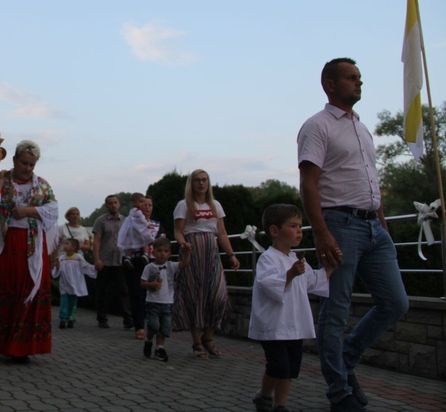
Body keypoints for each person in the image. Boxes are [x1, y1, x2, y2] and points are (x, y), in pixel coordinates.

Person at [298, 57, 409, 412]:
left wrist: (382, 223)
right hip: (339, 226)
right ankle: (339, 392)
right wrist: (320, 232)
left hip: (373, 228)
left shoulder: (362, 129)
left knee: (396, 303)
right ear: (330, 84)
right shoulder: (317, 126)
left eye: (359, 78)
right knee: (336, 311)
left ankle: (345, 361)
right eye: (351, 78)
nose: (359, 83)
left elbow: (369, 180)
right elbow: (309, 183)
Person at [0, 140, 58, 363]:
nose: (27, 168)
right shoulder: (4, 183)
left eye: (31, 165)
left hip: (31, 245)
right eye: (24, 163)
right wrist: (1, 181)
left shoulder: (42, 186)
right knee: (3, 286)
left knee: (26, 288)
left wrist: (27, 210)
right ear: (14, 160)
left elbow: (53, 210)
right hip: (7, 242)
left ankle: (21, 346)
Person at [249, 204, 333, 412]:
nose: (299, 231)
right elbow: (267, 284)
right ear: (275, 231)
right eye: (293, 226)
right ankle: (264, 395)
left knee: (290, 369)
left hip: (294, 326)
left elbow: (313, 282)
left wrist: (329, 268)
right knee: (278, 366)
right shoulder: (267, 258)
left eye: (300, 226)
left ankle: (281, 405)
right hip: (274, 326)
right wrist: (289, 275)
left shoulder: (296, 260)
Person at [172, 169, 240, 360]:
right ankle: (197, 342)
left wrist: (231, 255)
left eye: (204, 180)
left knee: (218, 295)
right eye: (197, 180)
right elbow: (178, 231)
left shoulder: (215, 204)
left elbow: (222, 232)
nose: (201, 183)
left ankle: (208, 336)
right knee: (194, 295)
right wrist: (182, 243)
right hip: (192, 252)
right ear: (191, 183)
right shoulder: (183, 205)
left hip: (211, 252)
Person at [141, 236, 191, 362]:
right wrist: (152, 285)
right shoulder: (149, 267)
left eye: (165, 251)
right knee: (153, 325)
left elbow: (184, 264)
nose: (162, 254)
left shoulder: (171, 266)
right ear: (153, 251)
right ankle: (148, 341)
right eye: (159, 251)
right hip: (153, 302)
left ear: (169, 253)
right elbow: (142, 283)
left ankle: (160, 348)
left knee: (164, 327)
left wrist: (186, 254)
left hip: (167, 303)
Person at [118, 192, 161, 339]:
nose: (147, 207)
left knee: (154, 294)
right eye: (144, 204)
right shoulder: (131, 220)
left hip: (152, 262)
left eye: (149, 205)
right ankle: (139, 326)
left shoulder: (156, 225)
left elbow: (162, 243)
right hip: (135, 262)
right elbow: (125, 236)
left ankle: (154, 324)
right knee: (137, 294)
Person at [92, 195, 133, 329]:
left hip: (120, 261)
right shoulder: (100, 221)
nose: (113, 205)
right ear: (106, 205)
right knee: (102, 291)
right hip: (105, 261)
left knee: (123, 291)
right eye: (110, 203)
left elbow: (129, 240)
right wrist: (97, 259)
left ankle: (128, 319)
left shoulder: (126, 221)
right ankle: (102, 318)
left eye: (115, 202)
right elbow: (97, 241)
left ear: (119, 204)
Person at [51, 238, 97, 328]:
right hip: (64, 285)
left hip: (75, 285)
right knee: (64, 302)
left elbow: (86, 267)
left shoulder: (78, 258)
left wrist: (95, 268)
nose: (64, 245)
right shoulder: (62, 258)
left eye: (67, 243)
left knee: (72, 303)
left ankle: (71, 317)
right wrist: (56, 267)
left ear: (73, 247)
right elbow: (56, 273)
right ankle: (63, 319)